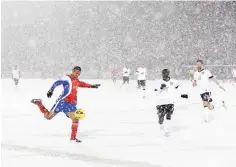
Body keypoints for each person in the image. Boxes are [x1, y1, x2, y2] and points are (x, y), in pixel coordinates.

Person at [31, 66, 101, 142]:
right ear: (73, 71)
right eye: (76, 72)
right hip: (62, 102)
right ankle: (39, 103)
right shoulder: (67, 78)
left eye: (79, 74)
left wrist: (92, 86)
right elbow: (57, 82)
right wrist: (51, 90)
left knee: (75, 119)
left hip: (71, 105)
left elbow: (83, 84)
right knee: (48, 117)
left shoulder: (77, 81)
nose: (77, 74)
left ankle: (73, 138)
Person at [154, 69, 188, 136]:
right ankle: (161, 126)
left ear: (168, 74)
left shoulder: (174, 82)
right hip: (160, 102)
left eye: (166, 73)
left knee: (169, 116)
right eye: (163, 73)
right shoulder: (158, 82)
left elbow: (178, 88)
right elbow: (156, 93)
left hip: (170, 101)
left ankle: (168, 130)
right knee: (161, 117)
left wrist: (182, 94)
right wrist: (160, 89)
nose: (164, 75)